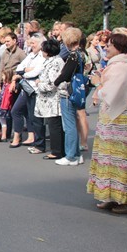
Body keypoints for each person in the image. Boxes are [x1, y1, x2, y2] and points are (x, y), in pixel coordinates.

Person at [87, 33, 127, 214]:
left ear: (119, 47)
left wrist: (97, 83)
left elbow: (111, 93)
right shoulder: (119, 65)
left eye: (109, 45)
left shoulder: (121, 67)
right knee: (109, 159)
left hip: (118, 117)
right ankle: (112, 196)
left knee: (120, 160)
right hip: (112, 116)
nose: (106, 48)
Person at [53, 27, 84, 166]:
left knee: (69, 124)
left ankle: (70, 155)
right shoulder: (82, 53)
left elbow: (65, 74)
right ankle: (76, 154)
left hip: (68, 91)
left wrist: (55, 82)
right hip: (78, 89)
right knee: (73, 123)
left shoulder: (73, 55)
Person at [10, 35, 46, 152]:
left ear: (41, 44)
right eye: (30, 43)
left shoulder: (42, 56)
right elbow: (19, 67)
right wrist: (25, 70)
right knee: (17, 110)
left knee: (34, 116)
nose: (31, 45)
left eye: (33, 43)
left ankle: (36, 141)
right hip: (26, 87)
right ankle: (28, 137)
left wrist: (23, 73)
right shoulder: (31, 55)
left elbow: (36, 72)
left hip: (34, 89)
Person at [35, 39, 65, 160]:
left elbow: (52, 83)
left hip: (52, 99)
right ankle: (59, 150)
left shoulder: (54, 63)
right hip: (50, 99)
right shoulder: (54, 61)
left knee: (54, 126)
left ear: (47, 51)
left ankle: (57, 151)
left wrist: (39, 84)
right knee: (55, 125)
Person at [0, 70, 16, 142]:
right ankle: (4, 136)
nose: (2, 77)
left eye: (3, 75)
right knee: (3, 120)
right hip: (1, 105)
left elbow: (8, 97)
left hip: (3, 106)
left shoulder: (8, 86)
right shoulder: (5, 85)